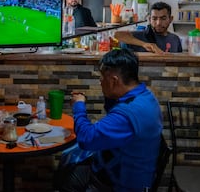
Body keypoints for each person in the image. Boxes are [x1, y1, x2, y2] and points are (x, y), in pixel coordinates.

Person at [55, 48, 163, 192]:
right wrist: (110, 93)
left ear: (114, 80)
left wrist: (79, 106)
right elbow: (113, 113)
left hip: (116, 184)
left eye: (102, 77)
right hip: (111, 168)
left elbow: (87, 139)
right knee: (65, 170)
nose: (100, 81)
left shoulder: (128, 114)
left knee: (64, 175)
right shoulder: (144, 96)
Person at [114, 2, 182, 53]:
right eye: (154, 19)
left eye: (163, 18)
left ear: (170, 19)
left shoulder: (175, 39)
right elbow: (116, 35)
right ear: (149, 19)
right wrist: (144, 44)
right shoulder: (140, 36)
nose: (158, 23)